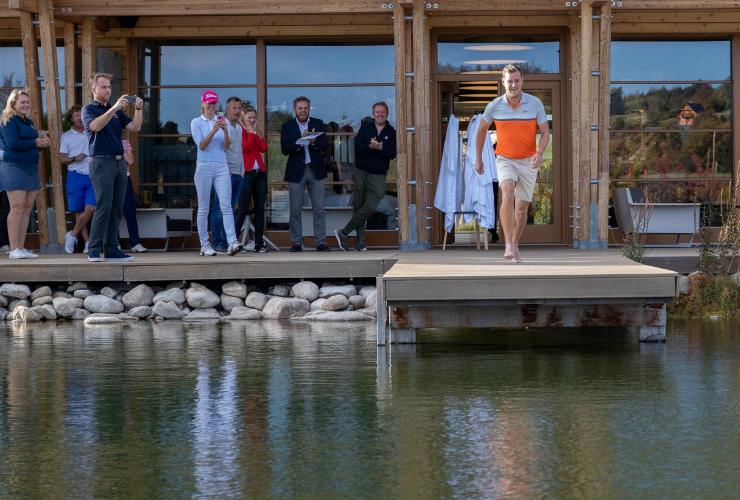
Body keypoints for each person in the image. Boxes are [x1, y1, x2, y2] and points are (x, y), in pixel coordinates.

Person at [475, 64, 549, 264]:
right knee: (507, 193)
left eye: (517, 81)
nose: (514, 85)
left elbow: (545, 132)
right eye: (510, 81)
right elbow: (481, 131)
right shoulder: (494, 105)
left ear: (522, 81)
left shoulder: (535, 104)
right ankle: (508, 243)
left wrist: (539, 153)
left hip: (528, 161)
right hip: (505, 158)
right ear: (503, 82)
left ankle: (515, 242)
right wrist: (479, 158)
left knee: (521, 209)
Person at [82, 73, 144, 262]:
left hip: (119, 162)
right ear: (94, 89)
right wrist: (114, 108)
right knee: (104, 206)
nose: (108, 90)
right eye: (103, 87)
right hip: (101, 162)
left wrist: (138, 109)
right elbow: (95, 126)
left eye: (109, 87)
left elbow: (135, 127)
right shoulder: (89, 109)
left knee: (117, 207)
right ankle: (94, 249)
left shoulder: (115, 111)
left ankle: (111, 249)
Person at [334, 101, 396, 251]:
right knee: (359, 205)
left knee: (370, 206)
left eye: (383, 112)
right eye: (377, 112)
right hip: (361, 172)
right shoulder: (366, 128)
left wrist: (380, 147)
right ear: (373, 114)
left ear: (387, 114)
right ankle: (360, 242)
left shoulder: (391, 132)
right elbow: (357, 148)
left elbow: (392, 153)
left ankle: (343, 232)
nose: (380, 114)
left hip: (378, 174)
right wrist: (370, 146)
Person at [190, 90, 242, 256]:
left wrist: (225, 130)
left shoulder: (222, 121)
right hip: (204, 166)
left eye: (214, 103)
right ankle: (205, 245)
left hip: (221, 166)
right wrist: (214, 129)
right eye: (209, 103)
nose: (211, 106)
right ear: (203, 104)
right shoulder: (196, 122)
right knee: (204, 208)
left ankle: (232, 242)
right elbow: (202, 145)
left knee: (226, 206)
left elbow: (226, 146)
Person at [0, 88, 51, 259]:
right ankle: (14, 249)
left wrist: (42, 143)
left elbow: (29, 142)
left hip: (30, 168)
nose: (26, 105)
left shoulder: (27, 122)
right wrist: (35, 141)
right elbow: (13, 144)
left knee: (27, 208)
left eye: (28, 102)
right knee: (17, 207)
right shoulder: (8, 120)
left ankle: (21, 248)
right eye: (22, 102)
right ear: (13, 103)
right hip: (14, 167)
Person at [280, 96, 329, 252]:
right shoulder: (287, 126)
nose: (303, 111)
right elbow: (284, 149)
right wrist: (301, 141)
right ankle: (296, 242)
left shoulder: (318, 123)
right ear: (294, 110)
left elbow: (325, 145)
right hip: (296, 171)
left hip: (315, 170)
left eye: (305, 108)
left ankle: (320, 242)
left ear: (309, 109)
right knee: (295, 209)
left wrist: (314, 141)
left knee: (319, 208)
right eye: (300, 108)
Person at [209, 96, 244, 254]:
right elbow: (220, 148)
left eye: (239, 108)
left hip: (237, 173)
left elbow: (239, 152)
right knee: (219, 208)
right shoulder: (223, 125)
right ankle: (218, 242)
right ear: (227, 109)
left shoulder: (239, 128)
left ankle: (228, 242)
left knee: (230, 208)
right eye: (234, 108)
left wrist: (242, 171)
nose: (237, 111)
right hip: (224, 173)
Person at [60, 105, 94, 254]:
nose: (80, 118)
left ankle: (72, 235)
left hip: (93, 176)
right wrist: (75, 158)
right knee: (79, 211)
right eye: (76, 115)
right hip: (75, 176)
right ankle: (87, 243)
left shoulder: (92, 132)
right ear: (71, 118)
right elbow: (61, 159)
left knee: (91, 208)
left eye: (81, 115)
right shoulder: (66, 136)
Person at [233, 105, 268, 253]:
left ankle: (258, 243)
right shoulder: (240, 131)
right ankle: (233, 242)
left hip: (260, 173)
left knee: (260, 209)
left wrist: (255, 132)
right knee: (242, 208)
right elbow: (246, 147)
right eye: (249, 117)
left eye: (254, 117)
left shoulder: (255, 131)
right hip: (247, 173)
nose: (252, 120)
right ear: (243, 118)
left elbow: (263, 148)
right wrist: (251, 132)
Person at [121, 138, 147, 253]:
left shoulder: (124, 142)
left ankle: (135, 242)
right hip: (110, 178)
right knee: (112, 211)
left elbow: (130, 160)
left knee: (130, 211)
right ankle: (114, 243)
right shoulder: (104, 141)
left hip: (124, 178)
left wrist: (118, 148)